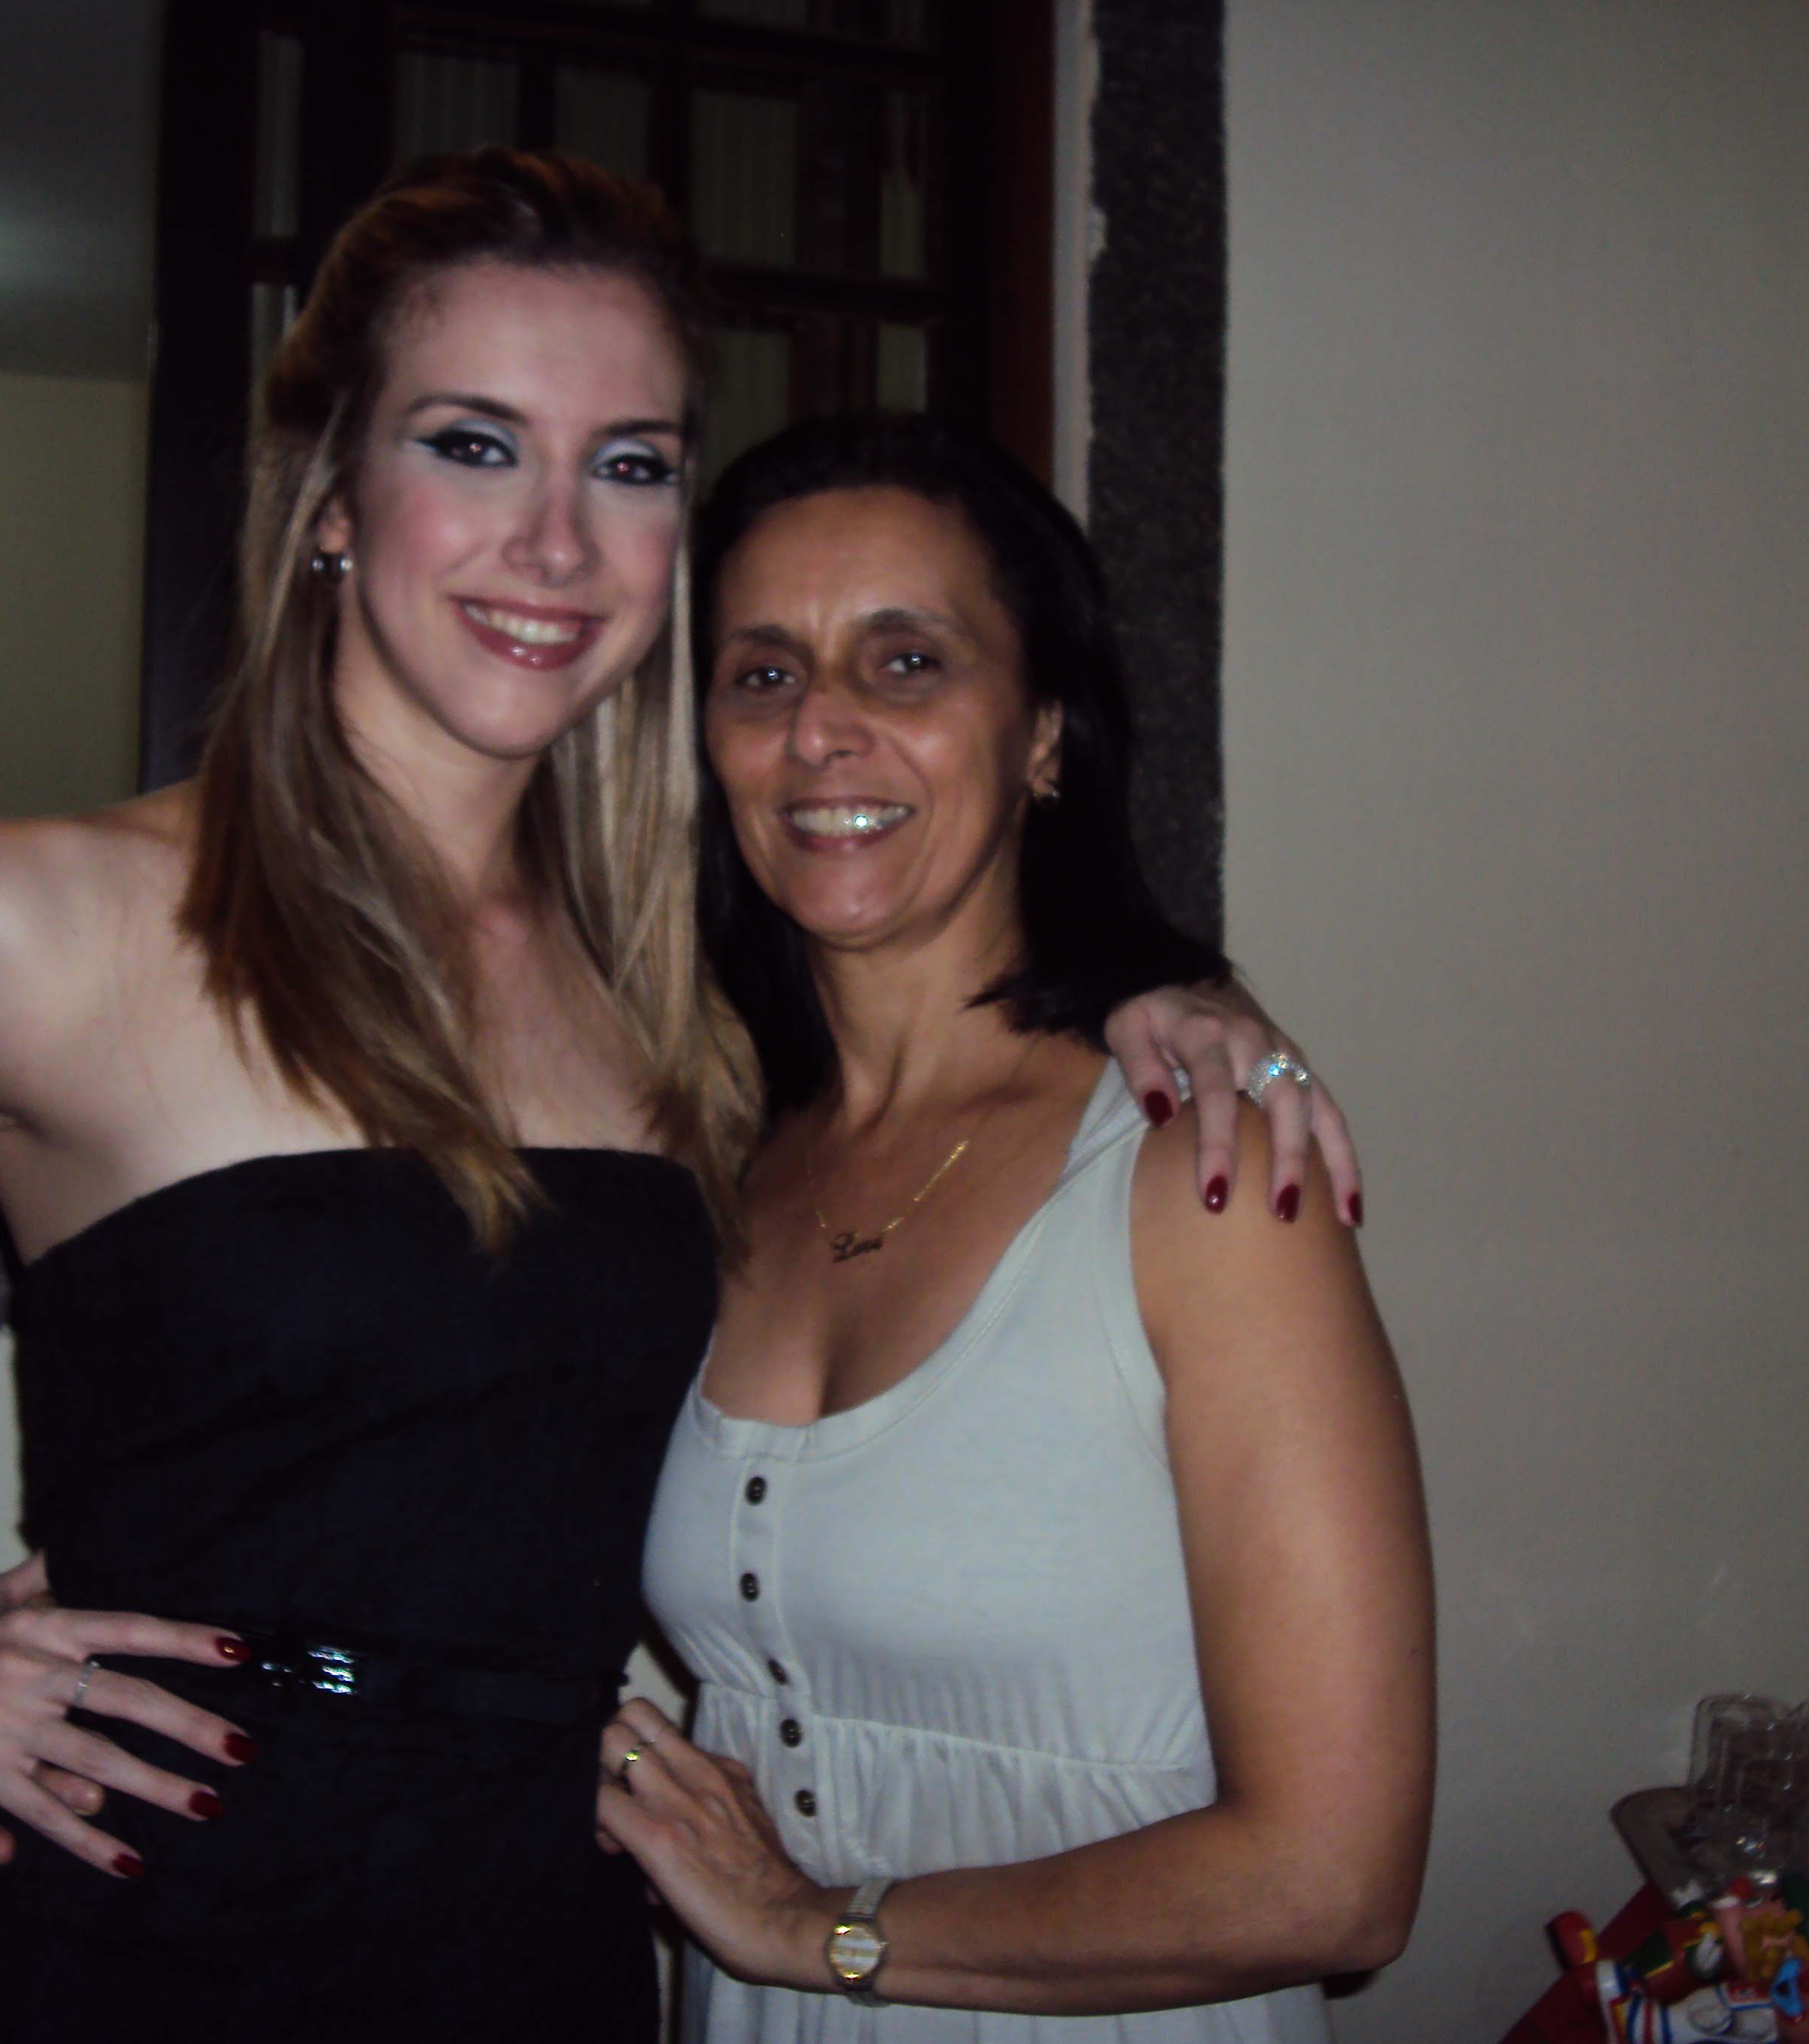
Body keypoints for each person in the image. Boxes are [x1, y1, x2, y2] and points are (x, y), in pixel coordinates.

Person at [0, 154, 1346, 2040]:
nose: (555, 542)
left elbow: (954, 971)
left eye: (630, 464)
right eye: (472, 445)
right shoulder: (39, 918)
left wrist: (1185, 998)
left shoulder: (686, 986)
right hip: (117, 1956)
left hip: (539, 1955)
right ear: (329, 496)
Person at [596, 415, 1435, 2039]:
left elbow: (1336, 1878)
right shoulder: (698, 1162)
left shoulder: (1196, 1171)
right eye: (762, 674)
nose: (820, 726)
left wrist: (816, 1930)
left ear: (1044, 733)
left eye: (904, 661)